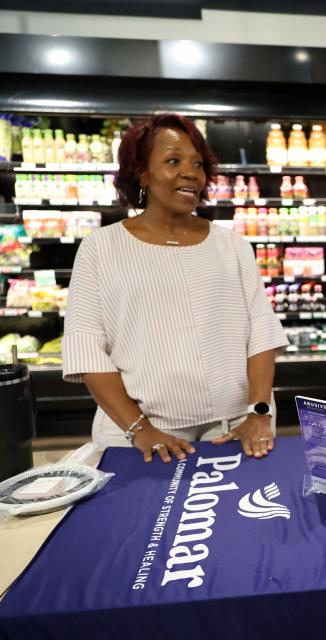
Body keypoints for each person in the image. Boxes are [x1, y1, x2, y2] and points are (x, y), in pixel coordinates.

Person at [62, 113, 289, 463]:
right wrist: (140, 429)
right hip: (140, 434)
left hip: (235, 430)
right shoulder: (101, 248)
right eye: (173, 161)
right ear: (141, 173)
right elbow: (87, 349)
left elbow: (261, 332)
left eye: (197, 163)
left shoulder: (232, 245)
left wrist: (259, 412)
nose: (190, 172)